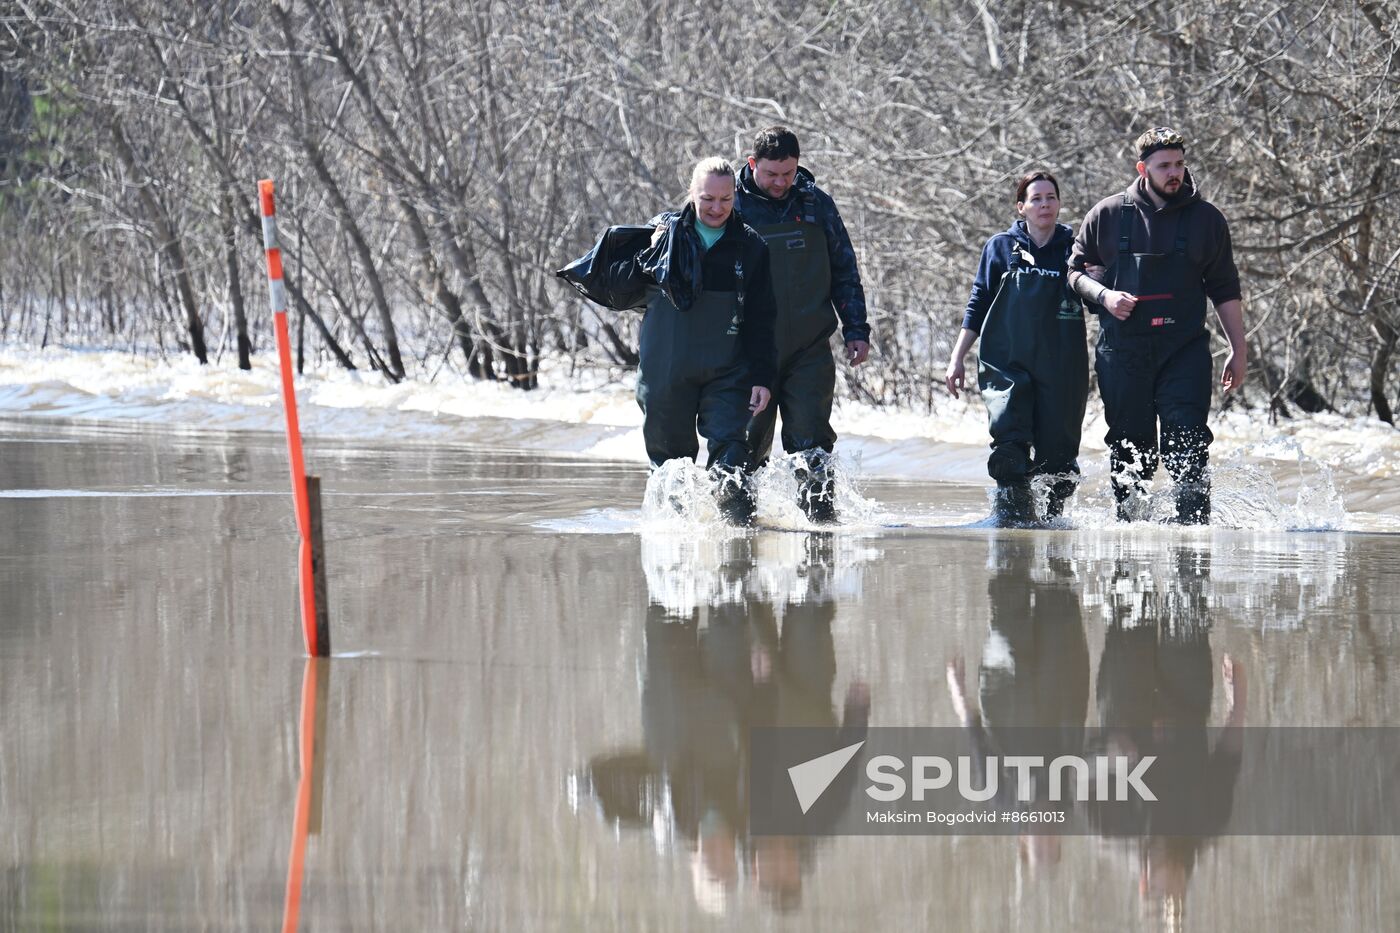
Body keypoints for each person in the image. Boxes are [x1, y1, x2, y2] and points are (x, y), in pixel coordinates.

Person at [1068, 127, 1247, 524]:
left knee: (1187, 441)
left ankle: (1193, 537)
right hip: (1123, 353)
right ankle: (1132, 540)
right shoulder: (1108, 214)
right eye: (1164, 165)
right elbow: (1075, 274)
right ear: (1142, 168)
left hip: (1184, 351)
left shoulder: (1207, 219)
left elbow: (1224, 288)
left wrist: (1239, 347)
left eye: (1180, 164)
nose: (1174, 173)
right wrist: (1105, 296)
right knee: (1132, 449)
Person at [613, 157, 778, 525]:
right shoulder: (663, 234)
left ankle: (739, 545)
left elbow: (763, 318)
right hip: (666, 370)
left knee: (732, 455)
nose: (717, 208)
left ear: (735, 196)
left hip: (728, 370)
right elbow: (620, 287)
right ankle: (675, 552)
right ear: (691, 193)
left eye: (725, 199)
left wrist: (763, 377)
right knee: (671, 466)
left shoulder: (750, 246)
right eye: (708, 198)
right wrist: (645, 254)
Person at [734, 127, 871, 524]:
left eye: (788, 174)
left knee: (812, 443)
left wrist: (856, 328)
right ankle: (739, 533)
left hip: (809, 348)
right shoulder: (731, 205)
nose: (780, 183)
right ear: (752, 164)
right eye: (772, 174)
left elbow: (845, 268)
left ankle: (820, 530)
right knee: (743, 444)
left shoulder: (816, 204)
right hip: (746, 351)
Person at [946, 170, 1088, 526]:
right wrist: (957, 356)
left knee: (1059, 463)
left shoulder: (1077, 249)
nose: (1044, 204)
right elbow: (978, 303)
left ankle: (1053, 533)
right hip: (1006, 364)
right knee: (1009, 450)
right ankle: (1013, 527)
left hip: (1062, 367)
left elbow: (1100, 298)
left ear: (1059, 204)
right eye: (1036, 198)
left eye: (1050, 197)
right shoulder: (1000, 247)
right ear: (1021, 207)